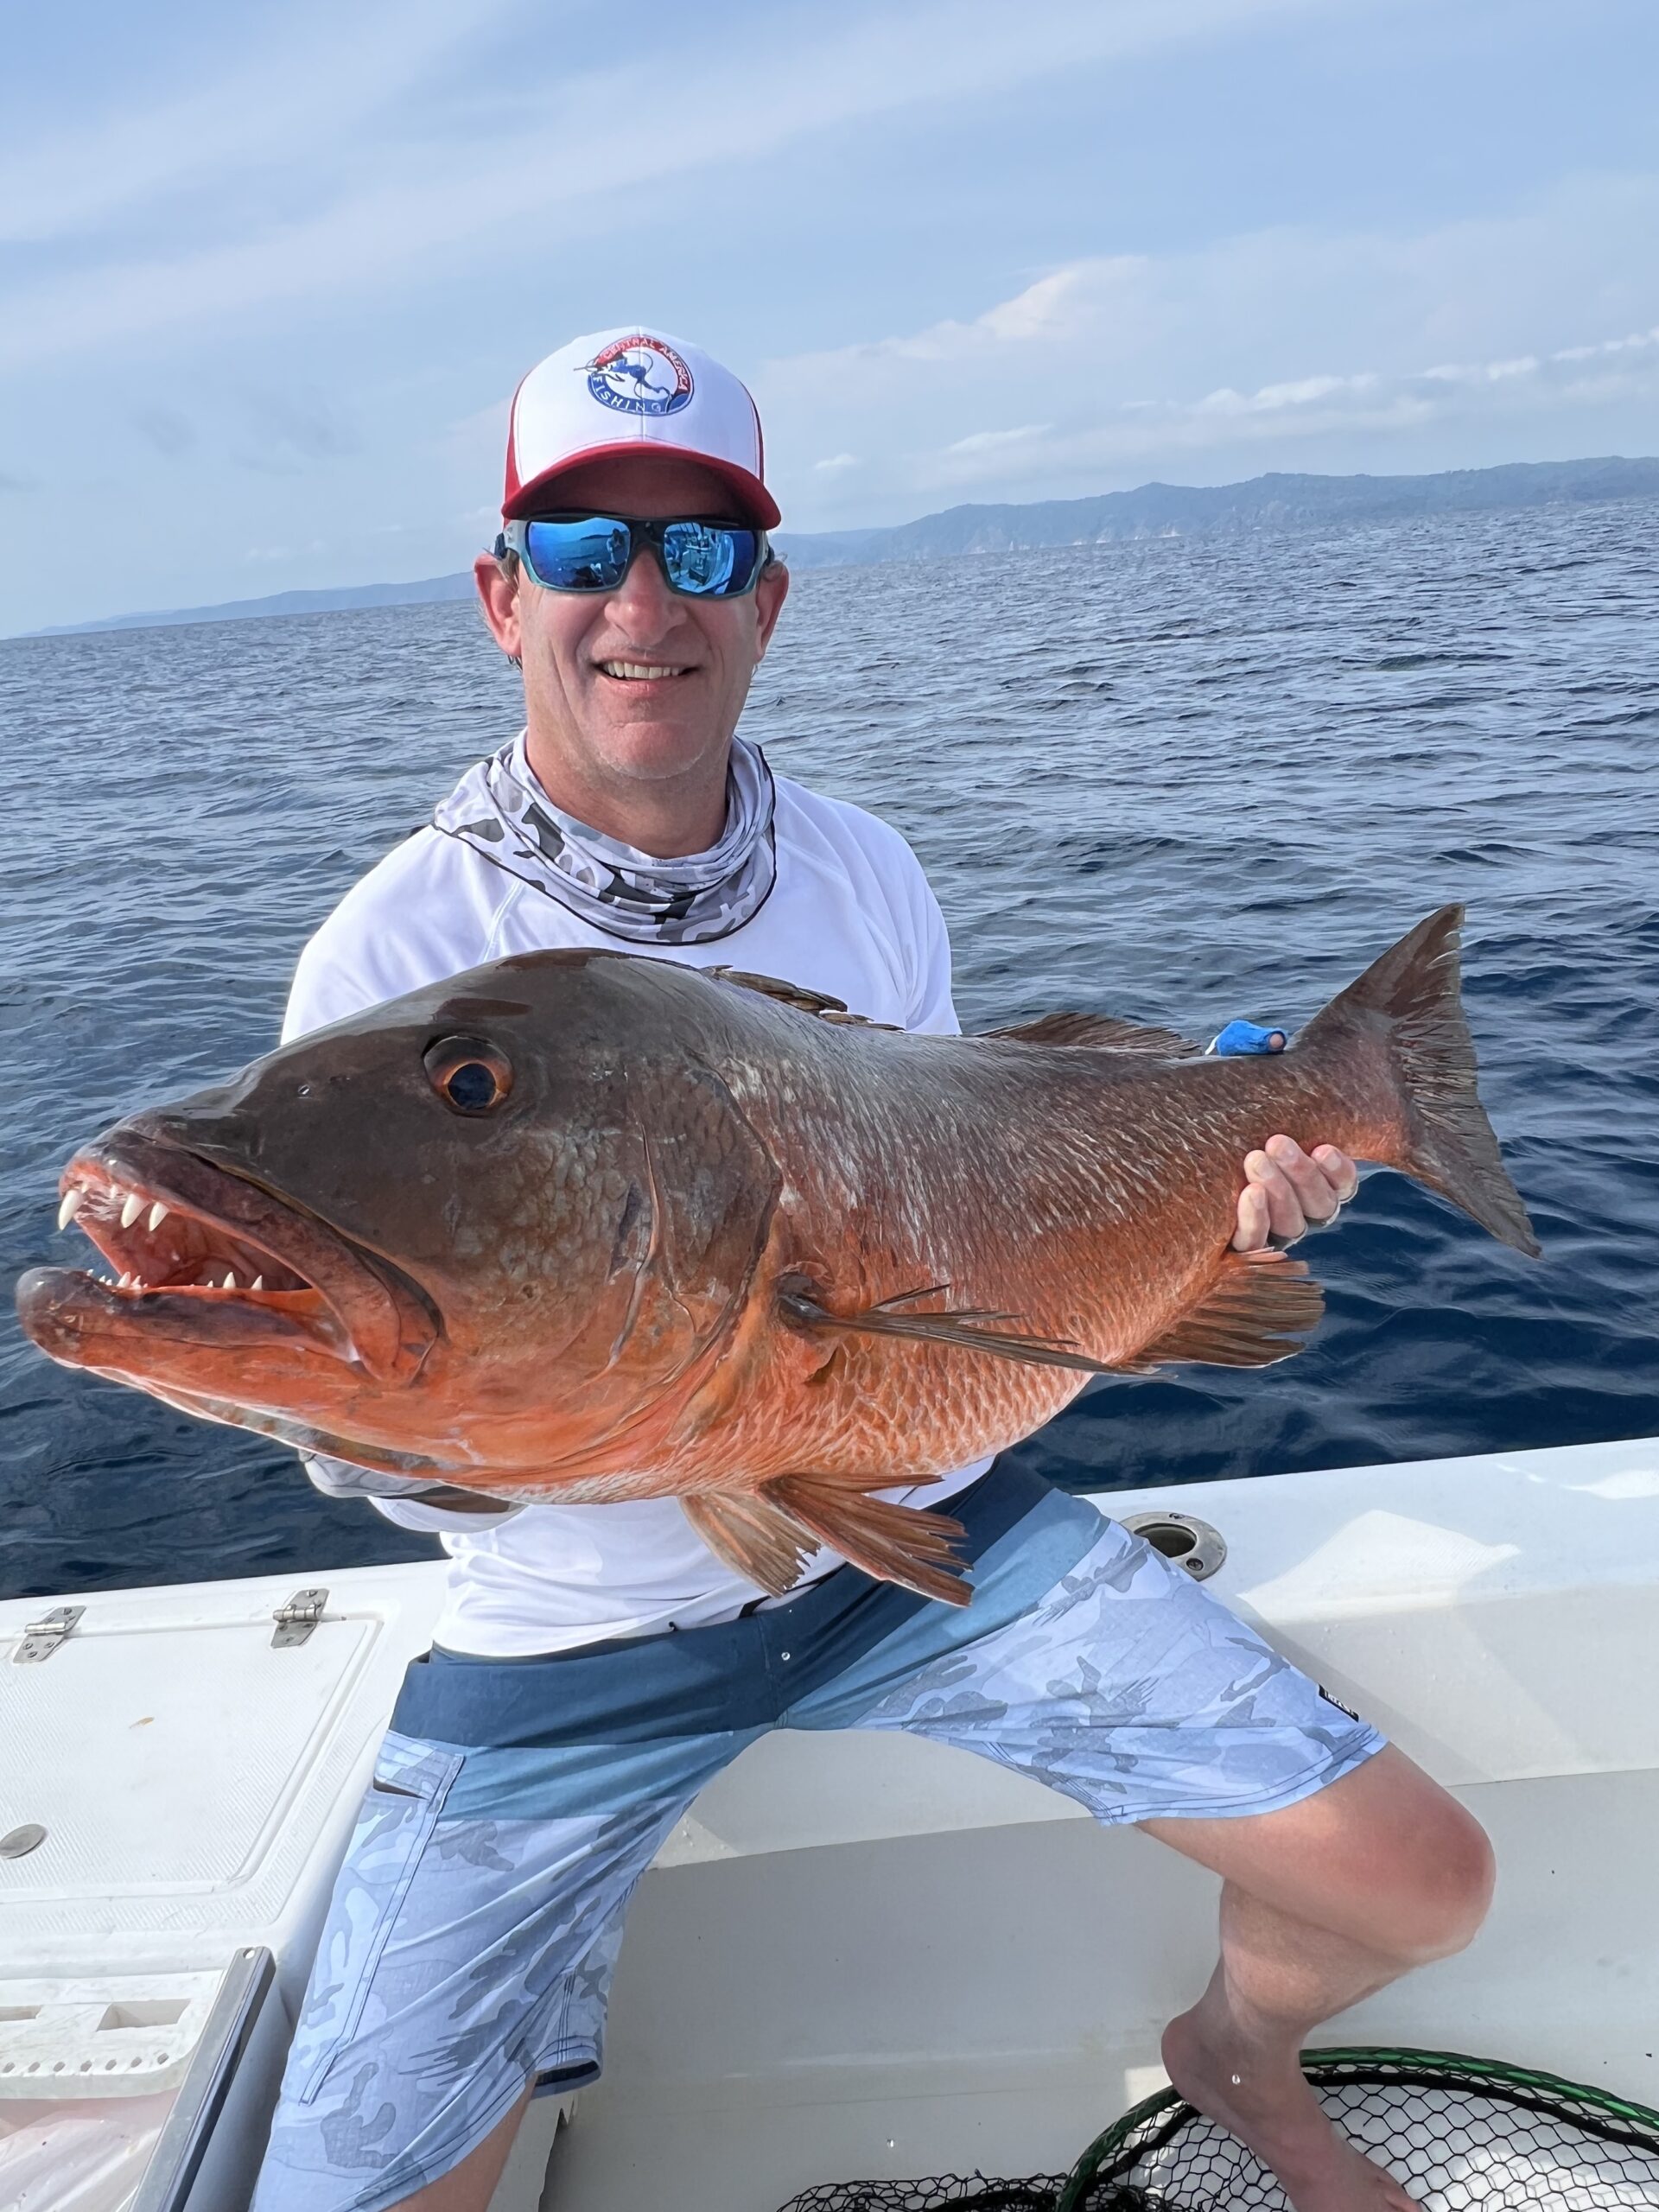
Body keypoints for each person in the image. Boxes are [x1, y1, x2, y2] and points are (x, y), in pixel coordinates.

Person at [251, 329, 1491, 2212]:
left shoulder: (863, 866)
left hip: (923, 1528)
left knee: (1423, 1873)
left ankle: (1233, 2051)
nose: (642, 599)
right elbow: (371, 1393)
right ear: (504, 596)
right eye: (583, 546)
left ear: (769, 598)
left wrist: (1217, 1214)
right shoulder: (398, 956)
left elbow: (964, 1196)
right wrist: (368, 1413)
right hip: (580, 1630)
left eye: (702, 549)